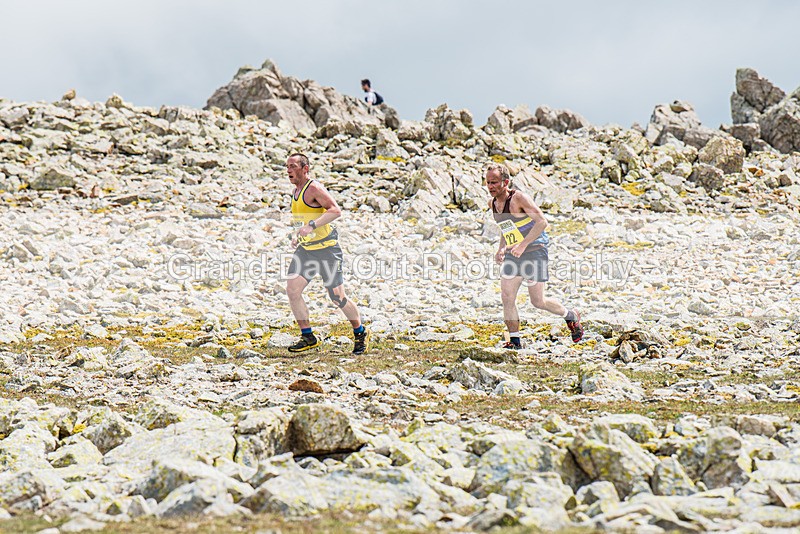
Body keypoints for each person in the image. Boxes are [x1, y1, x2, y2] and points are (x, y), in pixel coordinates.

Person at [486, 163, 584, 349]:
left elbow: (542, 222)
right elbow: (505, 226)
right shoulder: (493, 204)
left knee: (538, 301)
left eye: (495, 182)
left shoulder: (519, 199)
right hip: (514, 254)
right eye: (488, 182)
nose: (491, 186)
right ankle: (515, 342)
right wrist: (501, 248)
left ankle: (570, 315)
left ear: (505, 182)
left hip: (535, 250)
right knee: (507, 297)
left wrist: (522, 246)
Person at [285, 153, 369, 354]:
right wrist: (300, 234)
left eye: (293, 166)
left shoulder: (314, 188)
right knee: (292, 290)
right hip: (306, 250)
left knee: (337, 297)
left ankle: (360, 332)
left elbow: (335, 210)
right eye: (287, 166)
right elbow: (304, 218)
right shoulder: (295, 191)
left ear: (305, 169)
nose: (288, 170)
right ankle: (308, 336)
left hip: (327, 251)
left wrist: (312, 225)